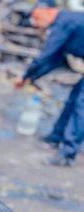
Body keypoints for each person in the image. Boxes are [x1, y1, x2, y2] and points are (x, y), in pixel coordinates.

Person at [15, 6, 84, 167]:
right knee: (73, 101)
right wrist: (30, 76)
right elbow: (55, 59)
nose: (36, 24)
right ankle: (56, 137)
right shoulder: (66, 21)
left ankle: (67, 154)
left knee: (81, 107)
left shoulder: (64, 23)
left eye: (36, 18)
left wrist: (25, 76)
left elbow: (46, 54)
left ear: (47, 11)